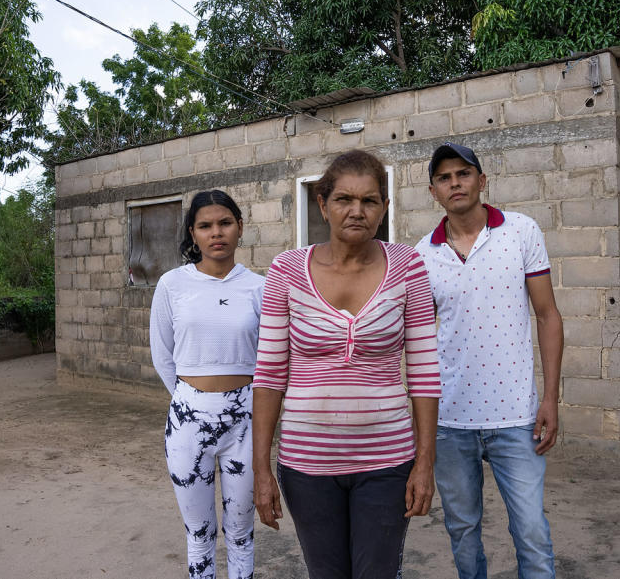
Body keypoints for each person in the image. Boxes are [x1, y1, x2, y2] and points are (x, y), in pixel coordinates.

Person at [251, 150, 442, 579]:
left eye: (370, 201)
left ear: (385, 208)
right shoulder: (286, 271)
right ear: (322, 204)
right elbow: (268, 376)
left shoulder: (408, 266)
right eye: (343, 199)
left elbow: (426, 374)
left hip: (388, 462)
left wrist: (424, 462)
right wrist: (261, 469)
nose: (357, 211)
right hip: (306, 465)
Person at [415, 142, 564, 579]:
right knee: (462, 530)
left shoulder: (520, 231)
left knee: (531, 531)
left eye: (463, 173)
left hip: (516, 415)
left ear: (482, 180)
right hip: (450, 420)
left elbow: (547, 315)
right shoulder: (424, 254)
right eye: (444, 177)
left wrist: (550, 398)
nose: (455, 182)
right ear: (433, 191)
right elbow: (421, 338)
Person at [149, 190, 264, 579]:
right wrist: (191, 400)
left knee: (241, 532)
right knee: (200, 533)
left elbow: (270, 359)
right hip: (187, 420)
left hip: (246, 421)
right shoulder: (171, 285)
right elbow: (163, 355)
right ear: (193, 233)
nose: (217, 233)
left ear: (240, 228)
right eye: (206, 225)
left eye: (225, 223)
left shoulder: (259, 287)